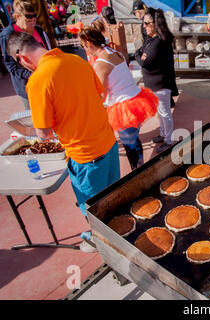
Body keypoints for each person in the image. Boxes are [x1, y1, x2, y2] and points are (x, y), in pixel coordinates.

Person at [7, 31, 121, 252]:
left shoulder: (38, 80)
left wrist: (25, 128)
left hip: (85, 156)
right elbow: (98, 95)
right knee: (114, 198)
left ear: (22, 57)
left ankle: (106, 246)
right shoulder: (76, 60)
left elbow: (44, 134)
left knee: (94, 210)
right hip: (108, 142)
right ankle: (117, 232)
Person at [79, 22, 158, 170]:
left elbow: (102, 96)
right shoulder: (113, 52)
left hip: (123, 108)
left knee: (130, 145)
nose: (84, 49)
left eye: (83, 45)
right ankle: (140, 168)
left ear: (89, 43)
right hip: (135, 100)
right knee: (134, 141)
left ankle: (138, 172)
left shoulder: (101, 64)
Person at [135, 7, 178, 153]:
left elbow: (145, 62)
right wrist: (140, 54)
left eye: (147, 23)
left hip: (161, 84)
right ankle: (163, 134)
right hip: (155, 85)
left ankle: (169, 140)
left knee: (165, 113)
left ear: (155, 24)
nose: (144, 26)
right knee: (160, 112)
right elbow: (140, 53)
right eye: (143, 23)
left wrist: (139, 55)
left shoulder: (159, 41)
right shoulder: (151, 39)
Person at [0, 0, 51, 110]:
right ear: (18, 17)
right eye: (28, 20)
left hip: (46, 80)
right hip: (28, 86)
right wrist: (32, 75)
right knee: (37, 117)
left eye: (34, 19)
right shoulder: (8, 35)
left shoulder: (39, 30)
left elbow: (49, 51)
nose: (33, 23)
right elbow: (12, 66)